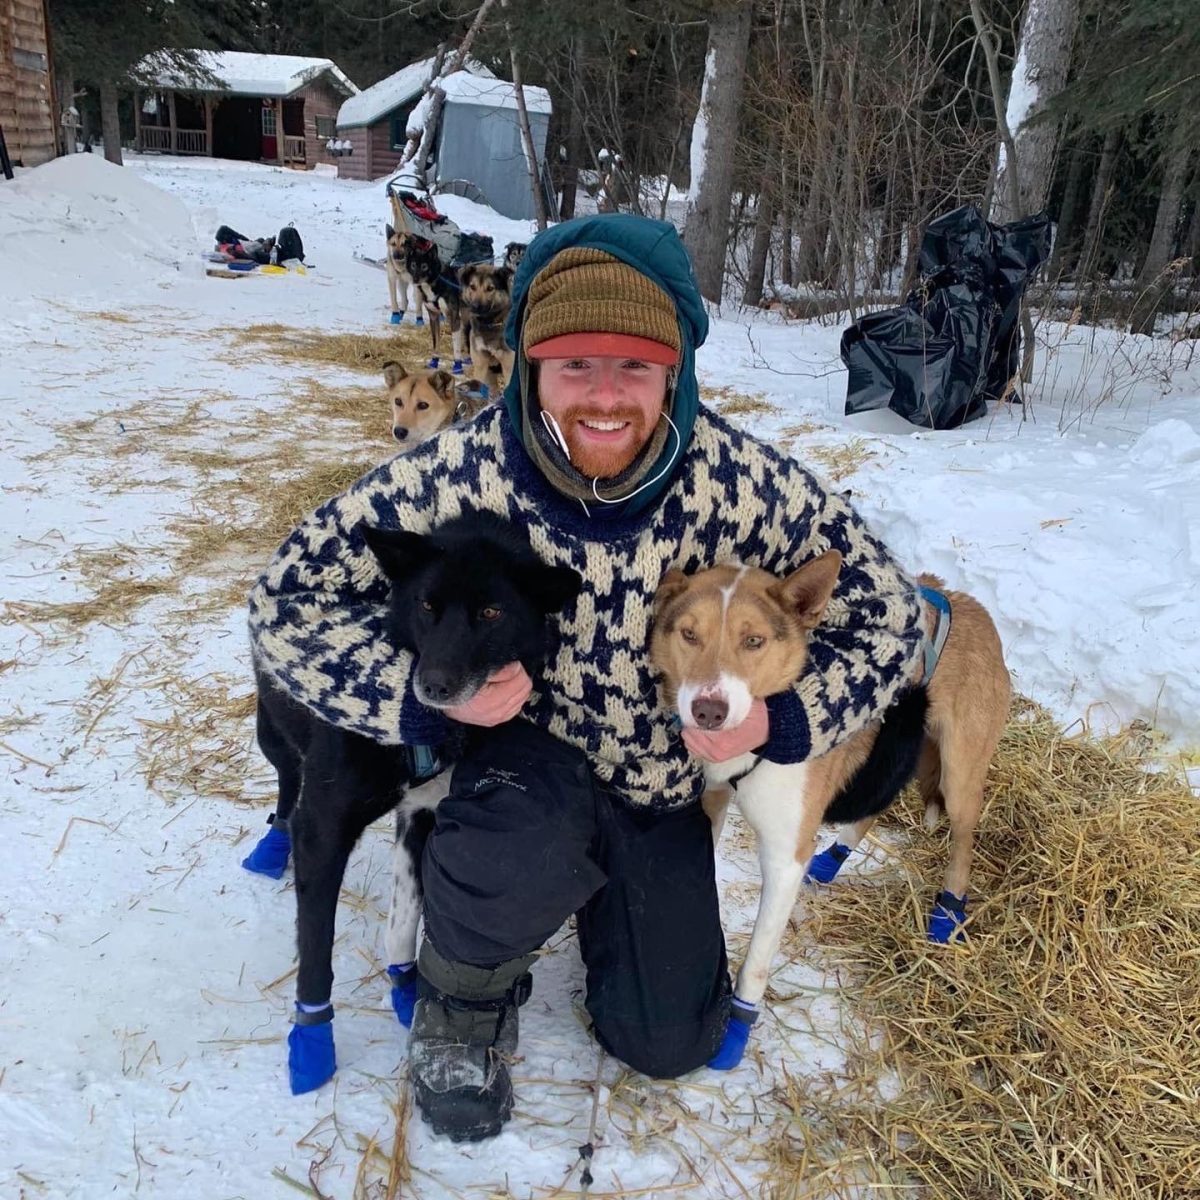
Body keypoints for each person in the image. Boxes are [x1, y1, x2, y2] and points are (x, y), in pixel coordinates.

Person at [248, 215, 925, 1142]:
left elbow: (889, 617)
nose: (605, 397)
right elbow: (284, 603)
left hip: (662, 789)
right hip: (522, 769)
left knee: (665, 1040)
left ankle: (620, 921)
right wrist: (413, 695)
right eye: (574, 365)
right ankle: (467, 1000)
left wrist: (788, 718)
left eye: (636, 367)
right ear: (529, 362)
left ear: (675, 371)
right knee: (503, 850)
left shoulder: (748, 486)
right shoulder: (457, 471)